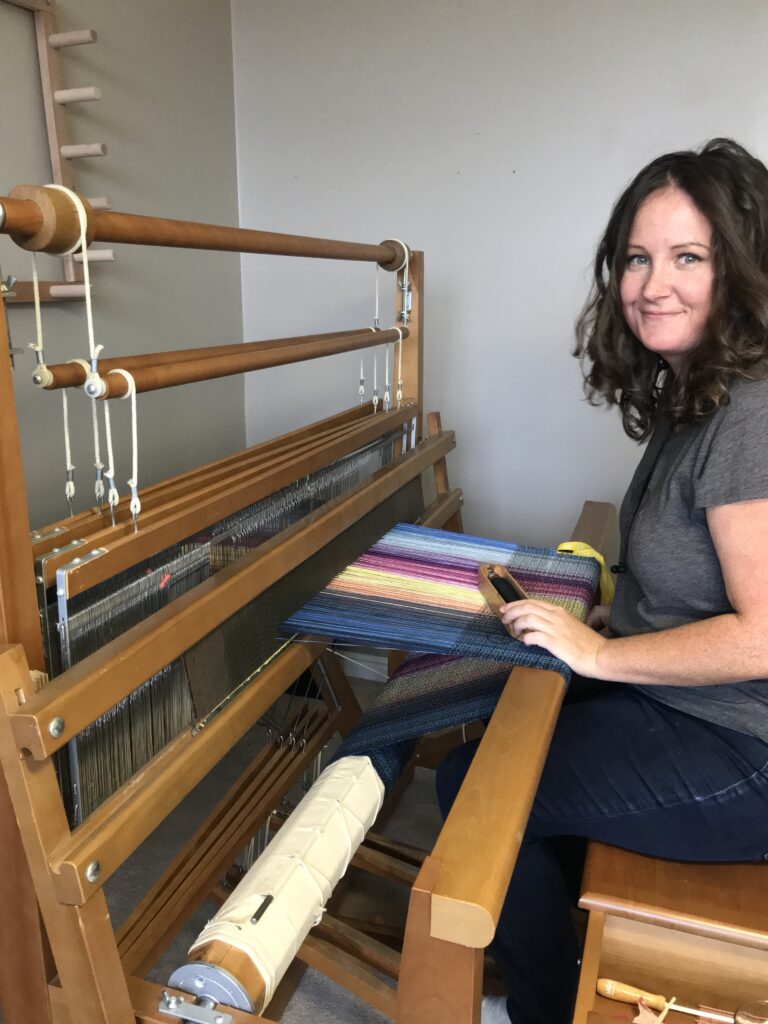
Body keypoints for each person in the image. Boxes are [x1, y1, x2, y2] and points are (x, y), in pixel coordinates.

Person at [436, 138, 768, 1024]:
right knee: (502, 707)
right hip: (700, 713)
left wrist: (599, 653)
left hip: (748, 753)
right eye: (637, 257)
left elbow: (764, 632)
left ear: (741, 271)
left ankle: (547, 1009)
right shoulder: (696, 392)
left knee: (473, 794)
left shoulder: (748, 413)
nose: (653, 283)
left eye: (689, 257)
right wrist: (593, 617)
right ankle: (555, 946)